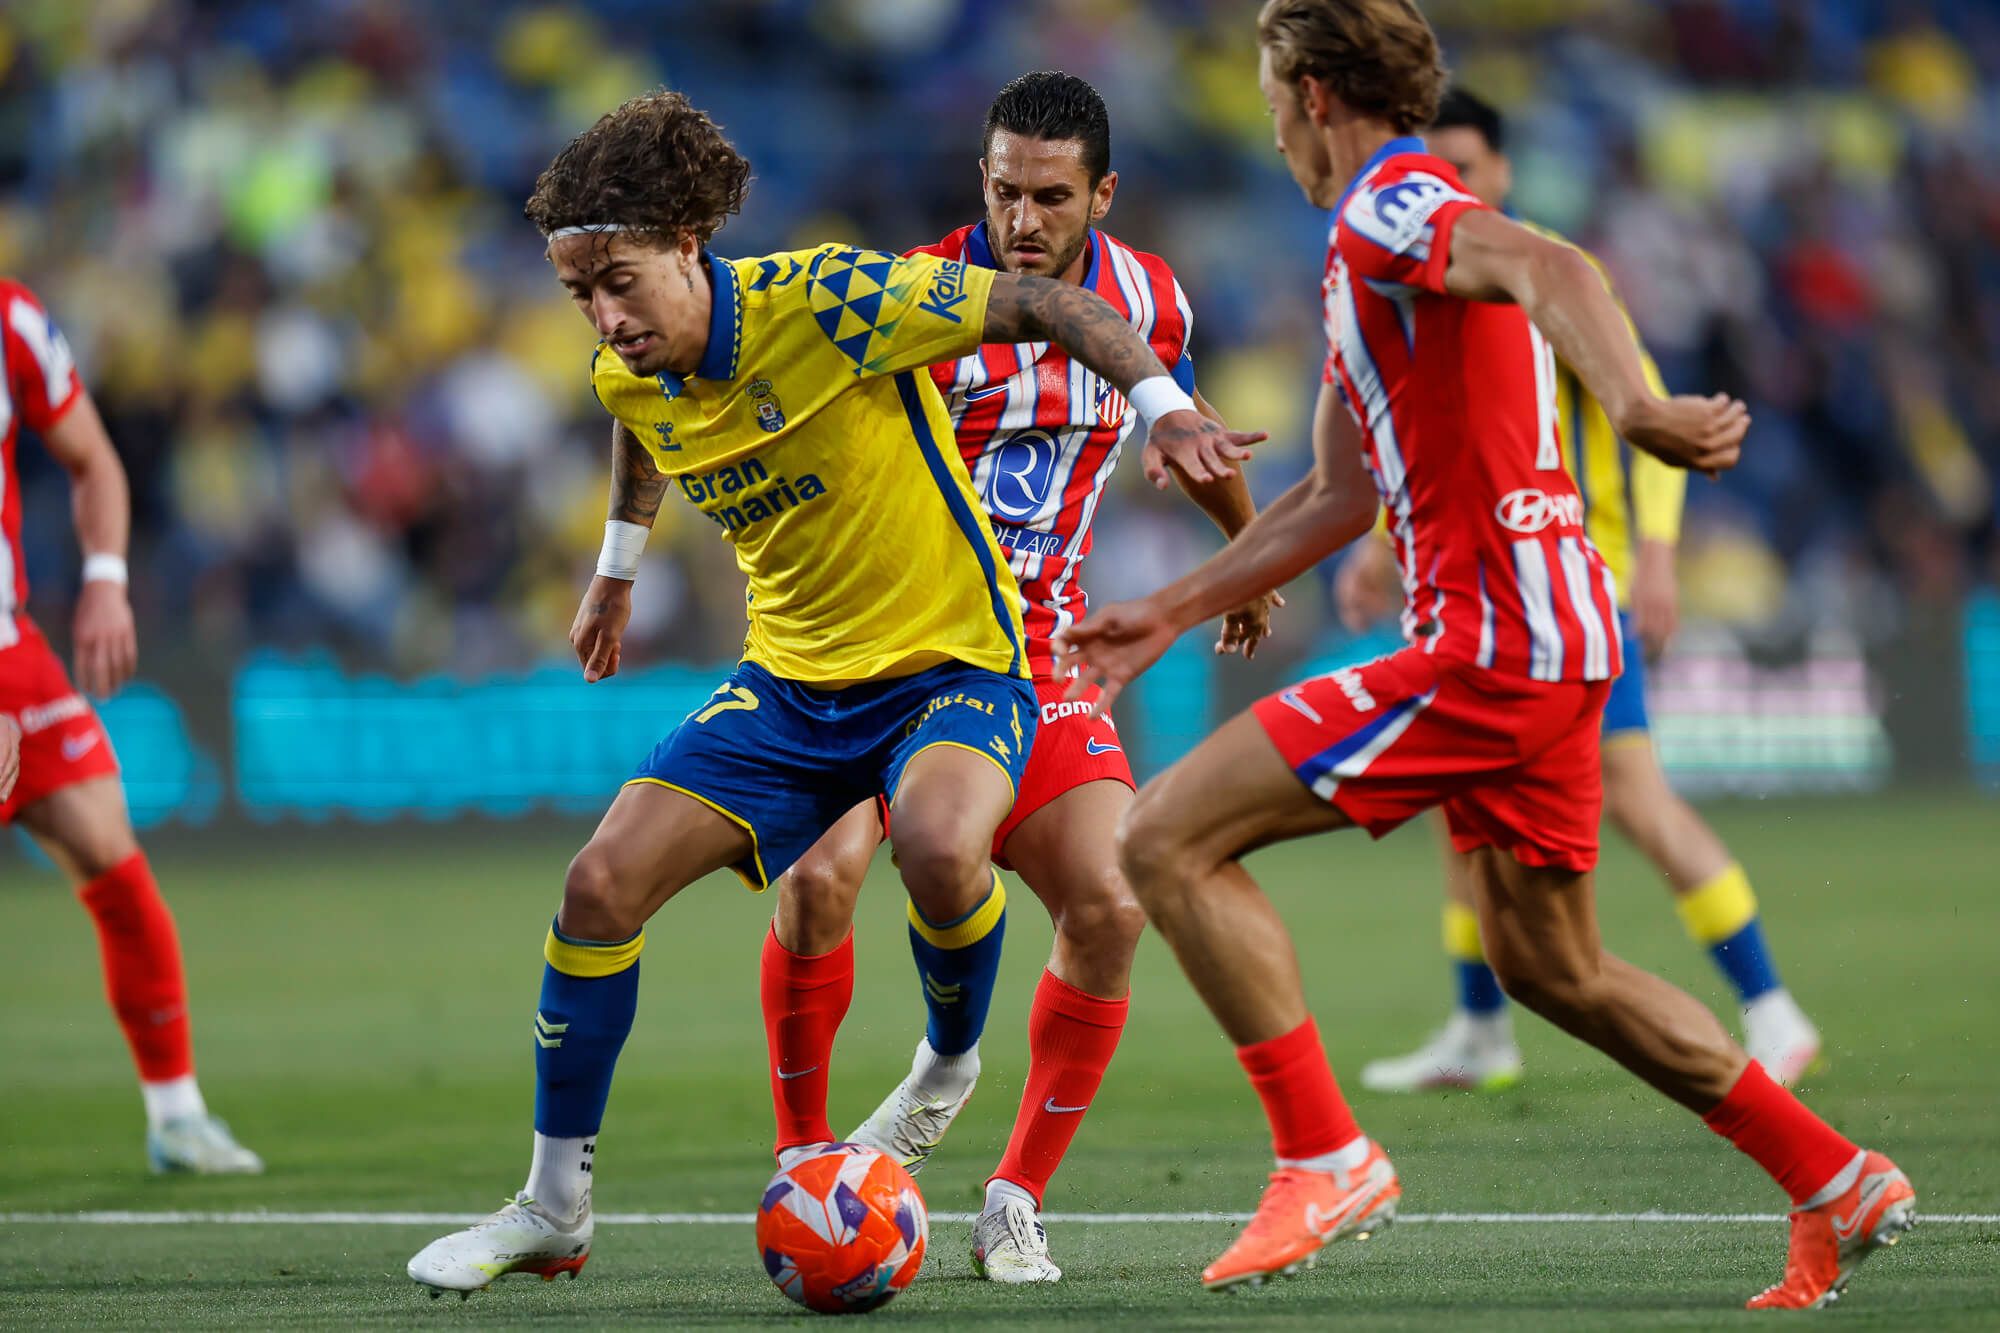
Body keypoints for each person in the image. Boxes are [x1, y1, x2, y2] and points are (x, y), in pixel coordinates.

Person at [1056, 0, 1912, 1310]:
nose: (1272, 118)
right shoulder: (1365, 256)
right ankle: (1836, 1173)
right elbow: (1339, 497)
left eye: (1276, 90)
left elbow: (1554, 268)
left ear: (1320, 94)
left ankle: (1324, 1152)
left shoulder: (1393, 201)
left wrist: (1637, 409)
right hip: (1560, 642)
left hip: (1492, 645)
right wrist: (1169, 608)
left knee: (1162, 836)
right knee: (1550, 967)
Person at [404, 89, 1261, 1297]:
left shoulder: (840, 298)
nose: (603, 320)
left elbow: (1068, 313)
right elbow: (641, 417)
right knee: (610, 884)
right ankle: (573, 1203)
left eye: (619, 286)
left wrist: (1197, 469)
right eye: (580, 296)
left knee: (1017, 872)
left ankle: (956, 1092)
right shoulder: (628, 364)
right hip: (799, 677)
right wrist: (613, 571)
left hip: (975, 652)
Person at [761, 71, 1275, 1285]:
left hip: (1035, 658)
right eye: (1003, 193)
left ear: (1102, 193)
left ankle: (1011, 1198)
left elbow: (1179, 422)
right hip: (887, 652)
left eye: (1050, 196)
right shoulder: (919, 304)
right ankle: (804, 1170)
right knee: (821, 877)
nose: (1022, 221)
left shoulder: (1148, 297)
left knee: (1110, 900)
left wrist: (1246, 558)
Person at [1340, 88, 1822, 1094]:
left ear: (1504, 173)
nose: (1453, 187)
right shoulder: (1425, 267)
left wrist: (1651, 555)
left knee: (1638, 801)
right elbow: (1435, 439)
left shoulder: (1541, 271)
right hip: (1480, 590)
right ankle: (1479, 1025)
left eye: (1469, 169)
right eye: (1440, 168)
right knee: (1452, 806)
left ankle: (1770, 1007)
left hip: (1569, 588)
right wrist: (1383, 541)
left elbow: (1643, 419)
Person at [0, 278, 261, 1174]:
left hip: (15, 652)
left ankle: (176, 1114)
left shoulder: (13, 321)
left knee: (111, 857)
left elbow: (95, 461)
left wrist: (106, 576)